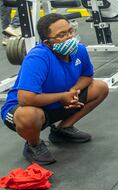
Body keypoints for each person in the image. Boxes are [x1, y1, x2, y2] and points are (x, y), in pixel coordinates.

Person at [0, 13, 109, 165]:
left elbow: (87, 76)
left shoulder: (79, 50)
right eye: (62, 35)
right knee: (29, 114)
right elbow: (25, 99)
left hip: (59, 102)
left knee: (100, 87)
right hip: (24, 109)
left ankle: (62, 130)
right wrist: (62, 97)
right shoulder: (38, 58)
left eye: (70, 31)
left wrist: (72, 91)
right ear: (47, 42)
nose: (69, 37)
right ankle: (34, 145)